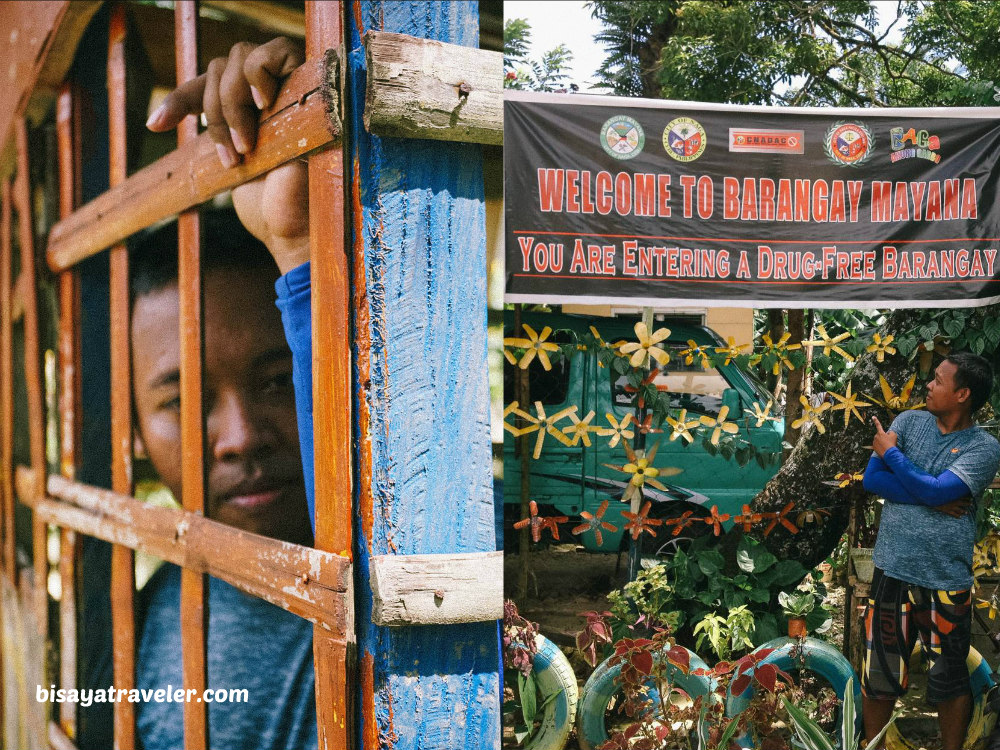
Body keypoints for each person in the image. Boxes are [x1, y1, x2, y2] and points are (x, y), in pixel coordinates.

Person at [132, 37, 321, 750]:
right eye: (181, 400)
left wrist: (296, 242)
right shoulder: (138, 618)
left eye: (280, 380)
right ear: (133, 427)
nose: (241, 436)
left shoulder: (395, 577)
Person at [861, 352, 1000, 750]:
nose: (928, 385)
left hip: (945, 580)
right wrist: (934, 498)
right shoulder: (907, 422)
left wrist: (892, 454)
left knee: (951, 681)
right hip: (892, 569)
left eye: (939, 380)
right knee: (878, 678)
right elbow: (873, 480)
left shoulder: (983, 447)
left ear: (963, 394)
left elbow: (931, 487)